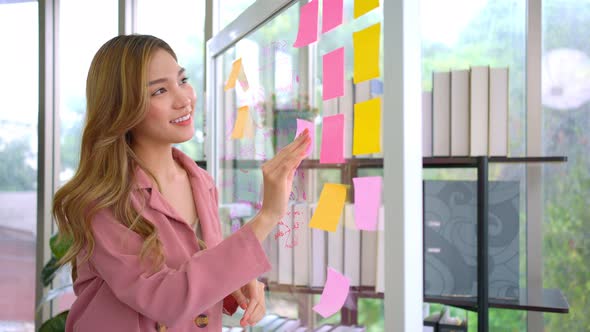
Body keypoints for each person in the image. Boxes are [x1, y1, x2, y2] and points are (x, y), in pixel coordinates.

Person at [52, 34, 311, 332]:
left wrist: (235, 281)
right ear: (122, 107)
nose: (184, 98)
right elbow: (166, 297)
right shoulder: (102, 202)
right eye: (160, 90)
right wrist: (267, 217)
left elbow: (194, 270)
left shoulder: (201, 183)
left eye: (182, 80)